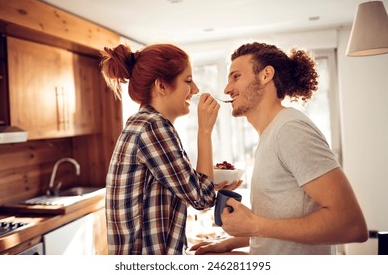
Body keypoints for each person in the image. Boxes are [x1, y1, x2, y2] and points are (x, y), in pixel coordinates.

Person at [192, 42, 368, 255]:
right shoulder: (271, 133)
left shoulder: (290, 129)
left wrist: (255, 225)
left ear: (266, 75)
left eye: (236, 76)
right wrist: (230, 243)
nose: (227, 89)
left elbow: (350, 225)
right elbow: (283, 223)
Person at [100, 43, 240, 255]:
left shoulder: (141, 122)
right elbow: (202, 200)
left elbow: (186, 187)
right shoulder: (153, 127)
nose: (195, 90)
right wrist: (205, 130)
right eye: (188, 81)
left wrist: (212, 186)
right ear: (162, 86)